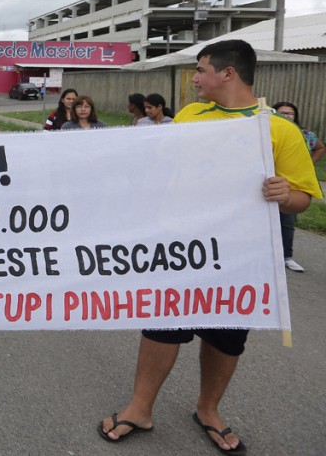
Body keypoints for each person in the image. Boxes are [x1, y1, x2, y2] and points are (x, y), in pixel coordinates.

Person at [98, 40, 322, 453]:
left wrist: (284, 194)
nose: (195, 79)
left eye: (201, 70)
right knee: (162, 327)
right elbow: (157, 166)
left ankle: (208, 410)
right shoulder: (190, 115)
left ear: (228, 73)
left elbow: (302, 199)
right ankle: (140, 408)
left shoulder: (279, 129)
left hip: (241, 254)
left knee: (226, 336)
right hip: (181, 246)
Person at [271, 101, 325, 273]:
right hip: (268, 185)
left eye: (290, 113)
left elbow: (320, 148)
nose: (287, 116)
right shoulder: (268, 131)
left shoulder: (305, 135)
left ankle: (286, 257)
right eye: (282, 113)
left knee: (287, 222)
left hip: (291, 187)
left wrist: (308, 163)